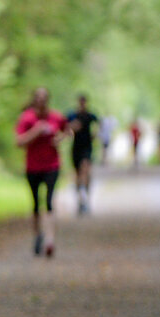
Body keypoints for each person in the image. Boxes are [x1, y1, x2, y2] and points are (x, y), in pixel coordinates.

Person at [16, 87, 68, 257]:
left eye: (44, 97)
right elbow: (19, 142)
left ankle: (50, 239)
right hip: (33, 167)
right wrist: (36, 132)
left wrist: (59, 138)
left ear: (48, 99)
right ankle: (37, 234)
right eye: (38, 97)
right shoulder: (27, 118)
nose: (41, 100)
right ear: (34, 99)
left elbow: (68, 131)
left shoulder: (56, 117)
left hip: (52, 165)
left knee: (49, 201)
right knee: (36, 204)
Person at [65, 94, 98, 215]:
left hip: (87, 148)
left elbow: (99, 124)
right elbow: (65, 128)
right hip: (76, 148)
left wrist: (95, 134)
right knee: (78, 174)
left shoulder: (90, 115)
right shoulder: (73, 115)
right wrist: (72, 129)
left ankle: (86, 199)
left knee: (85, 170)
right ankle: (80, 200)